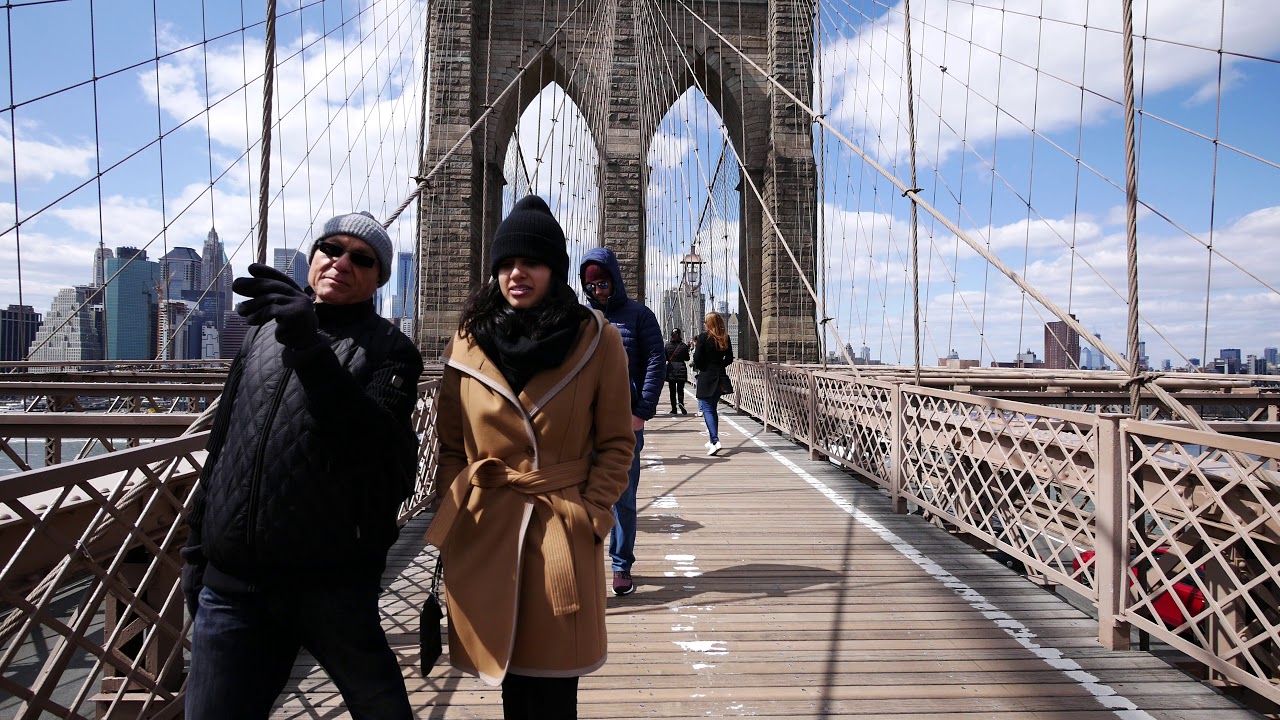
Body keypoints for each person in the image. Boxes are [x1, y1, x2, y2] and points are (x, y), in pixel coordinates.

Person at [181, 211, 424, 720]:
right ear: (312, 259)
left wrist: (309, 345)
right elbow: (222, 445)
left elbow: (366, 442)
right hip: (233, 585)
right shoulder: (259, 335)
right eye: (331, 249)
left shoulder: (392, 351)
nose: (342, 262)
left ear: (379, 278)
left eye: (362, 258)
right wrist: (196, 553)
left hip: (330, 584)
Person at [425, 195, 635, 719]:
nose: (517, 273)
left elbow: (616, 443)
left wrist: (595, 514)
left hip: (560, 525)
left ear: (555, 270)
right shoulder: (467, 342)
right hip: (485, 525)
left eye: (532, 262)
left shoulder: (598, 340)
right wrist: (455, 512)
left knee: (553, 688)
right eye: (506, 263)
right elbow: (451, 444)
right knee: (508, 680)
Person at [578, 246, 665, 596]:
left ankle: (621, 565)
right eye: (592, 286)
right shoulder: (579, 319)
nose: (598, 291)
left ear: (614, 281)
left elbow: (656, 362)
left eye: (603, 284)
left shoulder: (640, 316)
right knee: (581, 494)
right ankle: (583, 563)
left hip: (625, 423)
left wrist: (641, 412)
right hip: (584, 424)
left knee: (624, 497)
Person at [692, 311, 734, 456]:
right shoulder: (725, 338)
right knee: (712, 408)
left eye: (705, 321)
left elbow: (697, 358)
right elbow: (729, 359)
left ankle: (715, 441)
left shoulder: (703, 338)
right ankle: (711, 440)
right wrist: (718, 365)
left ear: (709, 324)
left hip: (706, 377)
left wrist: (704, 367)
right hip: (720, 377)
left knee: (707, 409)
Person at [664, 328, 690, 414]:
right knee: (680, 389)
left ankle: (674, 409)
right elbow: (687, 358)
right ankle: (681, 403)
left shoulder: (667, 346)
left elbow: (665, 358)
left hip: (671, 369)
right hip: (681, 368)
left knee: (672, 390)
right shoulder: (684, 346)